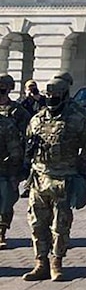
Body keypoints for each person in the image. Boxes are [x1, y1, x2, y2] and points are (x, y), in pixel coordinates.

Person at [23, 78, 86, 281]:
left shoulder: (76, 119)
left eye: (55, 96)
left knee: (60, 226)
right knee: (37, 224)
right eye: (48, 96)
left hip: (64, 180)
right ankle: (40, 262)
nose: (51, 99)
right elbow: (29, 144)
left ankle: (57, 261)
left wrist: (81, 171)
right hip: (39, 179)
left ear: (64, 95)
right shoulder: (36, 119)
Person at [0, 73, 30, 249]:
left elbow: (28, 137)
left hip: (9, 164)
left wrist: (22, 166)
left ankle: (2, 231)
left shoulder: (18, 112)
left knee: (5, 200)